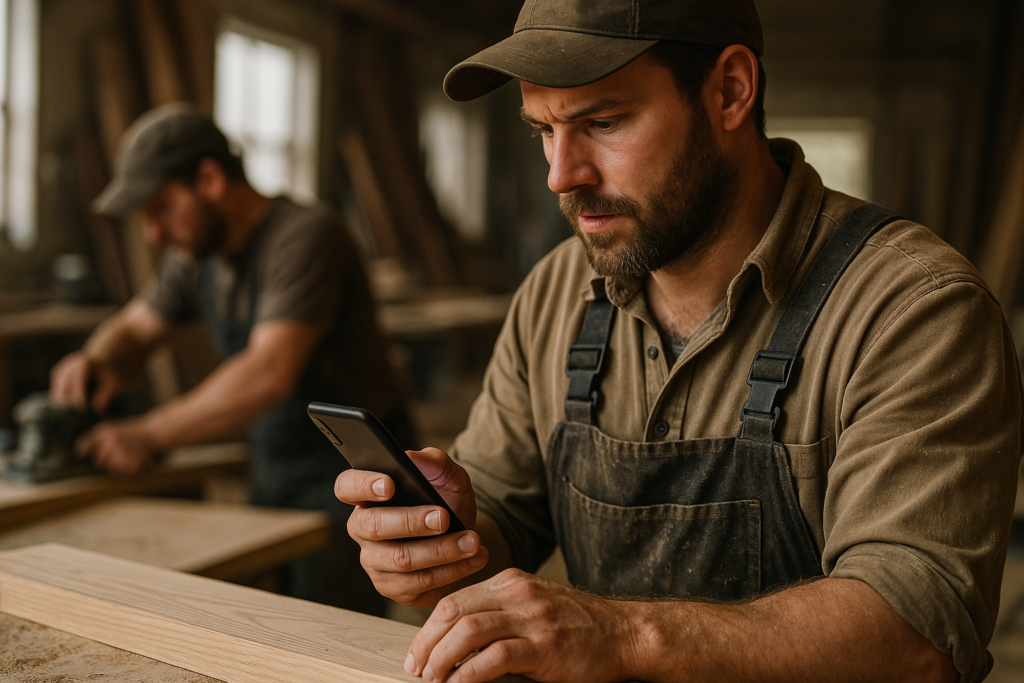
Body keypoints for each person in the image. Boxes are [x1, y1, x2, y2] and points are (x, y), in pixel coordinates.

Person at [337, 0, 1024, 681]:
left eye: (603, 123)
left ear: (729, 91)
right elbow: (496, 521)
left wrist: (625, 635)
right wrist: (437, 541)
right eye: (543, 131)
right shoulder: (556, 292)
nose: (561, 175)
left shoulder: (912, 309)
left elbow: (917, 637)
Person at [51, 104, 412, 615]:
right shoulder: (196, 258)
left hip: (353, 474)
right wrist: (96, 358)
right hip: (276, 462)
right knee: (270, 624)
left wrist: (148, 434)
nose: (153, 233)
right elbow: (135, 326)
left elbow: (268, 372)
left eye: (161, 209)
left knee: (329, 638)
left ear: (210, 178)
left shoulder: (305, 236)